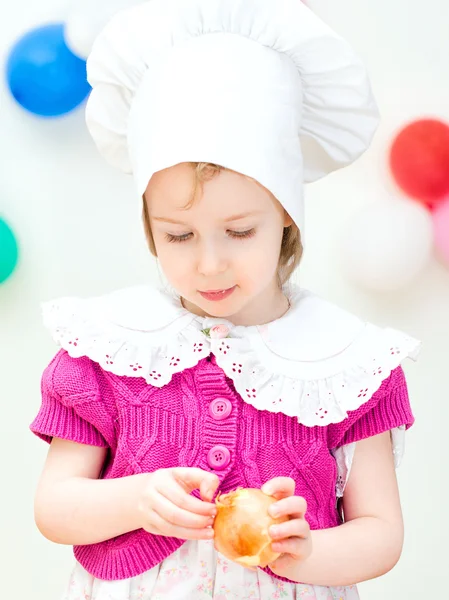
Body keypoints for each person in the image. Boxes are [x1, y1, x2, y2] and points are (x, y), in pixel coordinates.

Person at [30, 0, 421, 598]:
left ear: (287, 218)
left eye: (240, 232)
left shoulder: (348, 363)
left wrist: (309, 551)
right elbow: (55, 506)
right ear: (149, 227)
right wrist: (135, 499)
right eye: (178, 236)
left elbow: (381, 533)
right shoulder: (108, 348)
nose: (208, 263)